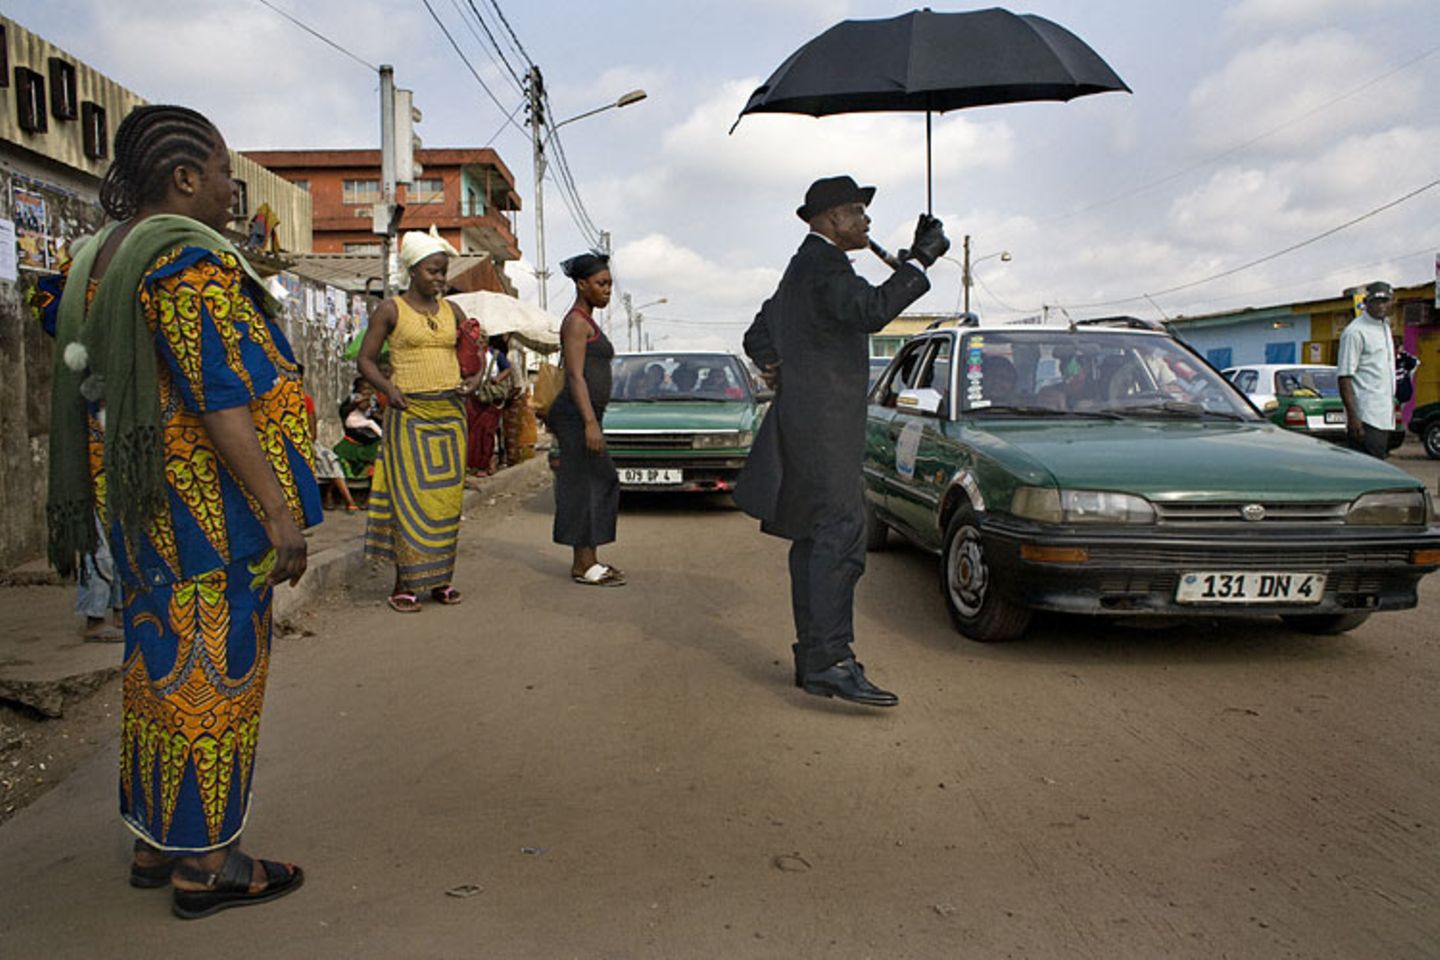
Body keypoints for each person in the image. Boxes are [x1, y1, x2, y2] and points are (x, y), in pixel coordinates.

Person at [39, 104, 318, 918]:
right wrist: (277, 510)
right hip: (206, 514)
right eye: (227, 172)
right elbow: (218, 394)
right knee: (215, 680)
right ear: (186, 178)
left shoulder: (95, 259)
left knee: (156, 666)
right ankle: (210, 863)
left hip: (137, 512)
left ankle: (157, 840)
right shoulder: (183, 265)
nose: (235, 190)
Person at [737, 175, 946, 707]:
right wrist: (919, 263)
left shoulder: (803, 268)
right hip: (826, 430)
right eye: (858, 211)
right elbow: (871, 311)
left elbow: (758, 332)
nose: (867, 221)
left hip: (808, 424)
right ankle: (831, 661)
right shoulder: (825, 266)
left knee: (814, 538)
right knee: (840, 537)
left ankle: (816, 659)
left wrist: (782, 369)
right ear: (831, 219)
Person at [357, 229, 483, 612]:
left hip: (450, 416)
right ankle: (405, 584)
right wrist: (387, 389)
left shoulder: (453, 311)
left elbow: (478, 355)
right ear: (413, 270)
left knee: (445, 501)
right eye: (433, 271)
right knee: (410, 499)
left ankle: (440, 580)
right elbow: (364, 359)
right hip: (409, 415)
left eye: (443, 272)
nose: (440, 279)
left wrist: (473, 382)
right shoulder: (391, 310)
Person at [549, 251, 624, 586]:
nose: (607, 290)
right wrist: (590, 422)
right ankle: (583, 564)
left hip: (586, 415)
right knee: (586, 484)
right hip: (576, 416)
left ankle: (589, 559)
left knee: (596, 482)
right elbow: (576, 376)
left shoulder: (588, 320)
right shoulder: (577, 322)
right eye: (601, 283)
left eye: (609, 283)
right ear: (582, 284)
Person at [1337, 281, 1397, 460]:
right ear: (1366, 302)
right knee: (1367, 472)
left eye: (1385, 301)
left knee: (1379, 470)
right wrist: (1353, 417)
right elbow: (1344, 377)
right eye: (1376, 301)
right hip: (1366, 418)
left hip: (1385, 416)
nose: (1380, 306)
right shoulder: (1355, 332)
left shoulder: (1385, 328)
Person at [458, 320, 511, 476]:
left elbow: (507, 369)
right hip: (474, 397)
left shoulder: (495, 355)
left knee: (487, 431)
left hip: (490, 397)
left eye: (482, 339)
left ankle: (486, 463)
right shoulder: (469, 354)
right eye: (477, 339)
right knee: (473, 431)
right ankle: (473, 464)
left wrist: (498, 379)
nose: (480, 341)